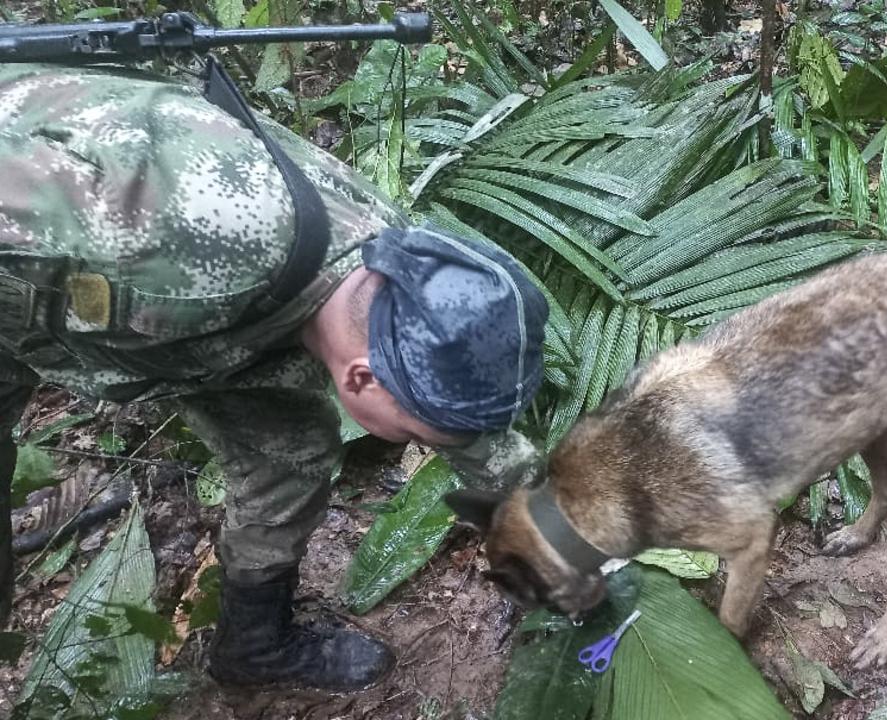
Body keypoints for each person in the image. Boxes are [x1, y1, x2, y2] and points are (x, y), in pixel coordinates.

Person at [0, 62, 548, 691]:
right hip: (35, 247)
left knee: (288, 452)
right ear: (363, 381)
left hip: (169, 308)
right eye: (419, 435)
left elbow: (466, 424)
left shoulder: (400, 270)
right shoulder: (168, 255)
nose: (433, 443)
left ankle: (252, 647)